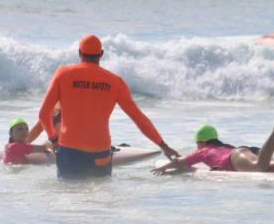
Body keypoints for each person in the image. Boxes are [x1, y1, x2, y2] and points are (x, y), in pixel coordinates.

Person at [38, 34, 179, 179]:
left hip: (70, 151)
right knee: (100, 197)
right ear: (101, 54)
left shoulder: (63, 74)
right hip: (100, 152)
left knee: (71, 196)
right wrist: (163, 146)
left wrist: (54, 139)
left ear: (79, 53)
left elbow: (44, 114)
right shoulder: (115, 82)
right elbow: (139, 118)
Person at [152, 116, 274, 175]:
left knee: (259, 166)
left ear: (201, 142)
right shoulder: (220, 147)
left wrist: (164, 167)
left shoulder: (203, 152)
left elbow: (181, 162)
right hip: (241, 151)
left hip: (234, 159)